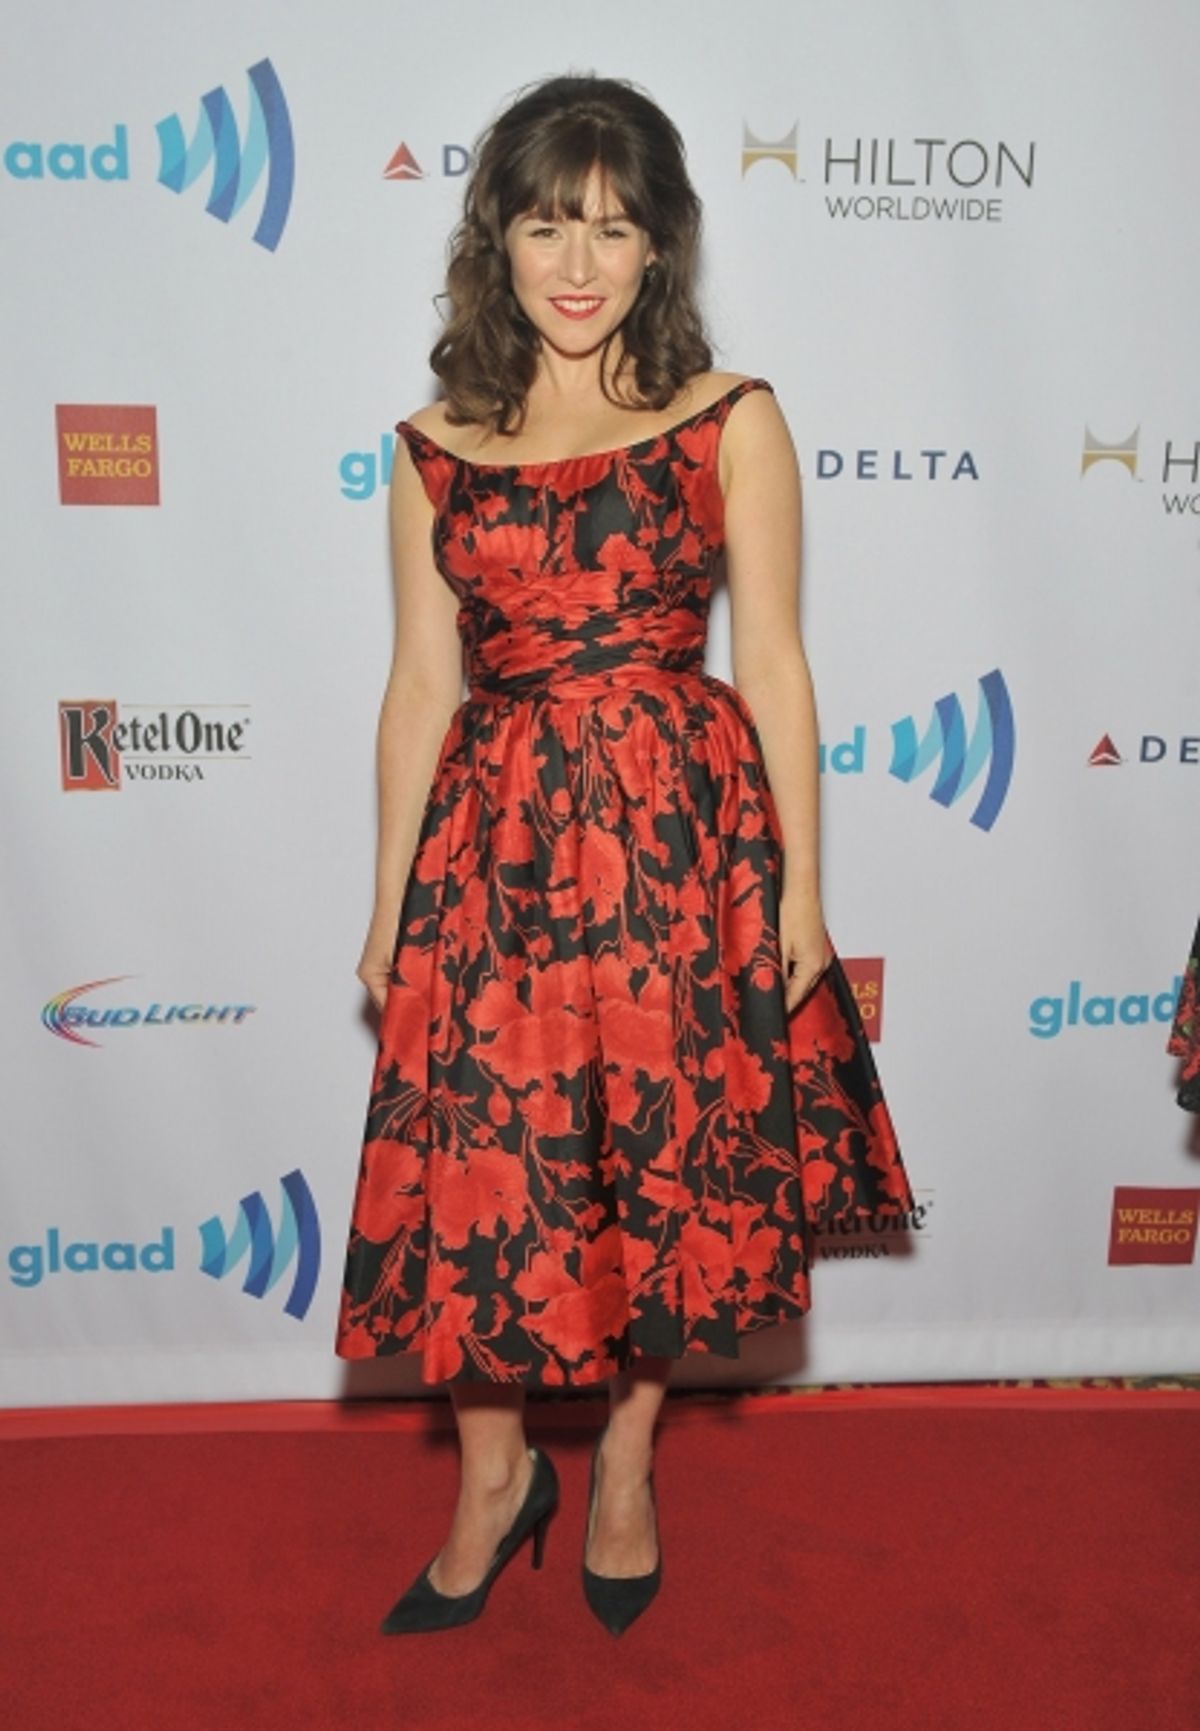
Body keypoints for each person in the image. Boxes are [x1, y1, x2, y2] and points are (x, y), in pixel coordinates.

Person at [336, 71, 914, 1637]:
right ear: (496, 242)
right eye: (543, 223)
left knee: (663, 1167)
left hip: (677, 834)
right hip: (497, 846)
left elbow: (777, 664)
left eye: (612, 224)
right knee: (487, 1181)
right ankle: (492, 1474)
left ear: (661, 245)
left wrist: (799, 886)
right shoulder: (432, 444)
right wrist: (389, 899)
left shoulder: (732, 419)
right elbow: (418, 684)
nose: (577, 261)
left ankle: (629, 1466)